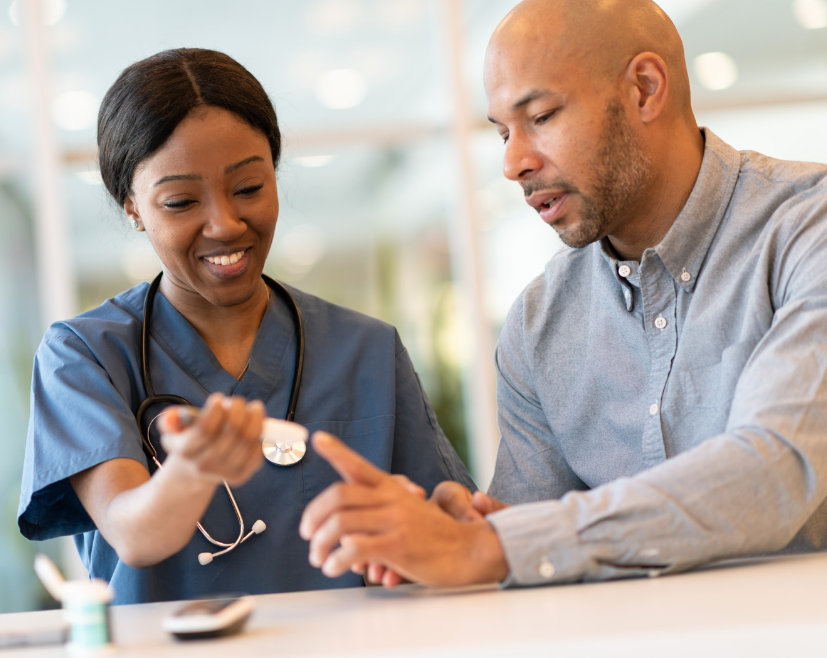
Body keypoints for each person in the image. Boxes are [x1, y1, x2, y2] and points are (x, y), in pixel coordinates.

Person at [298, 0, 827, 588]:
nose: (513, 162)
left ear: (646, 89)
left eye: (542, 116)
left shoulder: (809, 229)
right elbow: (530, 541)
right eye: (502, 132)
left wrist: (498, 545)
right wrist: (458, 535)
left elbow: (776, 469)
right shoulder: (537, 322)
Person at [17, 48, 473, 604]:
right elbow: (134, 534)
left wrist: (456, 523)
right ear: (133, 207)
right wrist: (189, 472)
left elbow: (447, 530)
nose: (226, 224)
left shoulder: (367, 349)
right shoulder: (84, 356)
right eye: (181, 201)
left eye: (249, 188)